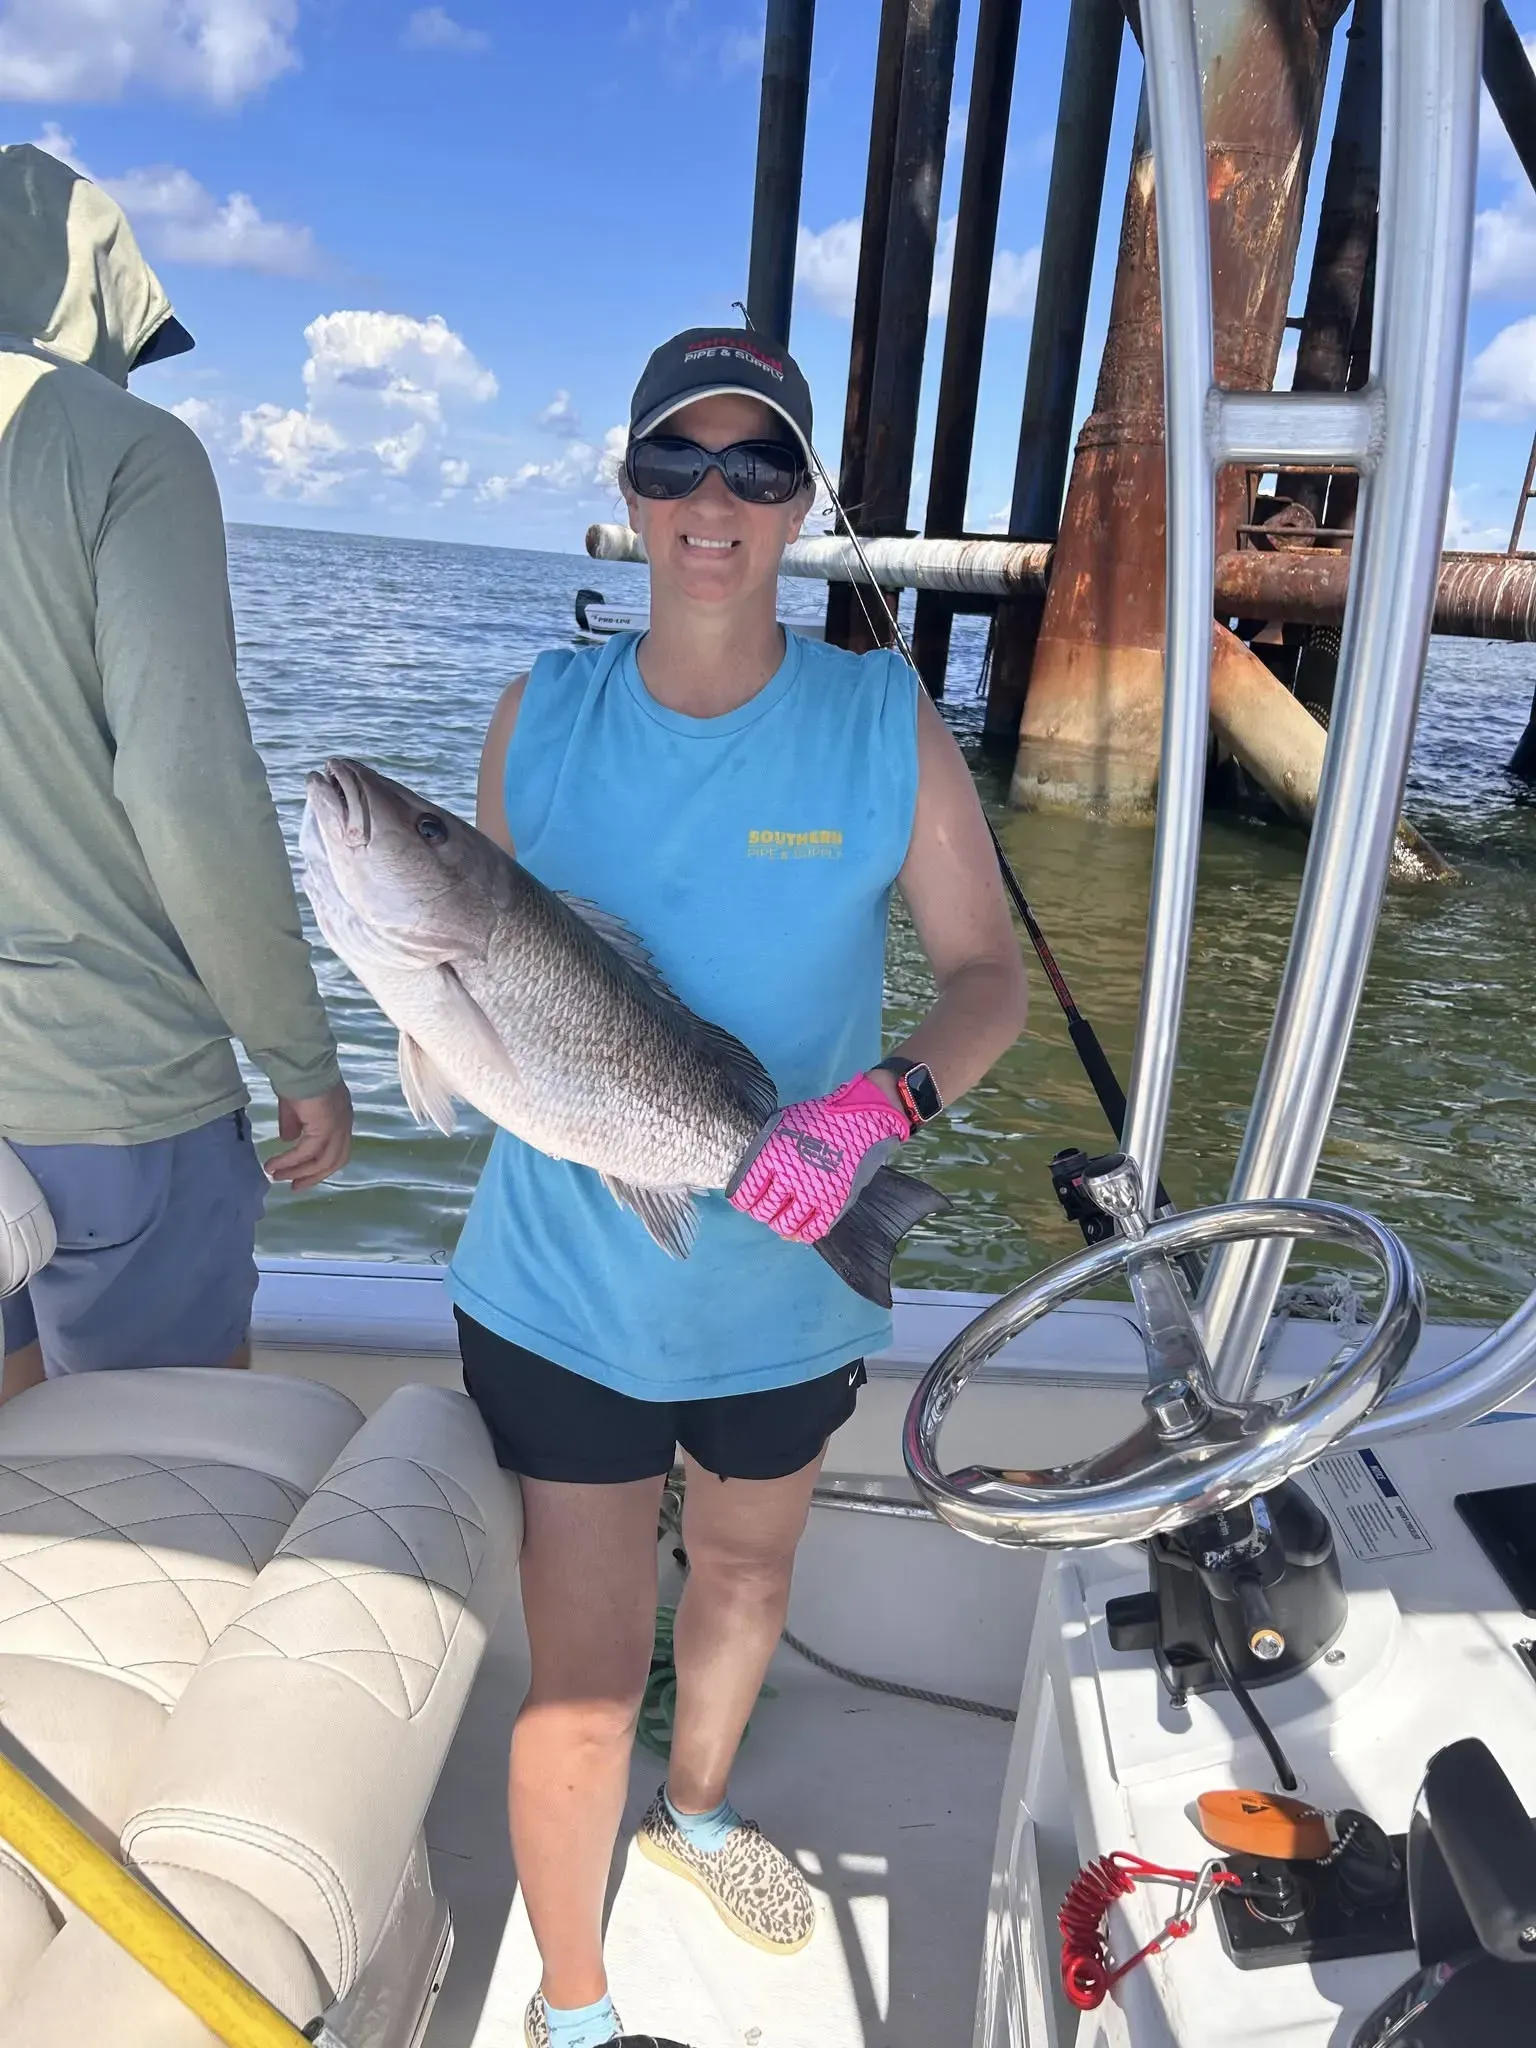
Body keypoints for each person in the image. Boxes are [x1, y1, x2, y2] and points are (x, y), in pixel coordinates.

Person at [449, 328, 1029, 2048]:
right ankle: (572, 2008)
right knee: (573, 1681)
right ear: (627, 492)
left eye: (758, 466)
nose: (716, 502)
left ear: (802, 502)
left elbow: (985, 973)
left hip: (791, 1273)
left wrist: (885, 1103)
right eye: (679, 464)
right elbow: (462, 978)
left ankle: (696, 1810)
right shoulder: (533, 715)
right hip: (568, 1284)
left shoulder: (879, 716)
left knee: (751, 1580)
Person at [0, 144, 351, 1402]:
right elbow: (188, 789)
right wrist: (300, 1057)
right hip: (115, 1097)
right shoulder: (130, 452)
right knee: (167, 1504)